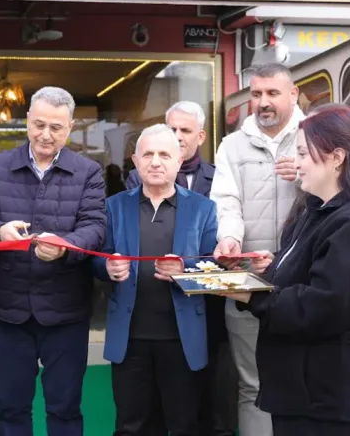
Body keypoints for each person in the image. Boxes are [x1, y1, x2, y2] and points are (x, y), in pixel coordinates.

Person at [220, 103, 350, 435]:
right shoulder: (314, 211)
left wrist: (251, 293)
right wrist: (268, 269)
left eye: (303, 155)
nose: (296, 164)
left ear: (337, 157)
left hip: (336, 404)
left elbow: (320, 307)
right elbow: (304, 273)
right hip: (306, 398)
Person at [0, 86, 106, 436]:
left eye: (56, 127)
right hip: (10, 309)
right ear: (27, 121)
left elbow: (95, 228)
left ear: (70, 127)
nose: (46, 134)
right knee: (12, 409)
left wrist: (65, 246)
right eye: (39, 124)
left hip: (66, 310)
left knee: (65, 408)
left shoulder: (88, 171)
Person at [94, 124, 217, 436]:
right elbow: (95, 257)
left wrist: (185, 271)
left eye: (165, 154)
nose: (156, 161)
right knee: (131, 427)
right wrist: (106, 267)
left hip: (182, 339)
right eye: (148, 154)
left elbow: (214, 266)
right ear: (135, 161)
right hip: (130, 339)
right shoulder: (114, 206)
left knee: (185, 425)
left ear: (179, 161)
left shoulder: (204, 208)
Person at [125, 100, 235, 436]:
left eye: (184, 130)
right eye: (171, 128)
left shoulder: (218, 179)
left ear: (200, 135)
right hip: (151, 308)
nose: (176, 136)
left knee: (205, 394)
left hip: (205, 307)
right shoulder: (135, 178)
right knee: (150, 403)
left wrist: (188, 269)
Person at [209, 63, 304, 436]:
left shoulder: (316, 138)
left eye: (272, 93)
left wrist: (306, 175)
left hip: (306, 282)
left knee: (308, 380)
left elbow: (346, 192)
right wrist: (229, 238)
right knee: (253, 386)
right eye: (256, 94)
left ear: (293, 94)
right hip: (249, 281)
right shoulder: (232, 145)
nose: (263, 103)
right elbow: (226, 201)